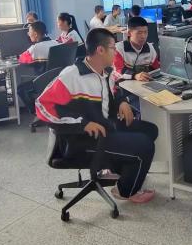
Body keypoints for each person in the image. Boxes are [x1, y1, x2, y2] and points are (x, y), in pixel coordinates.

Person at [35, 28, 158, 204]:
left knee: (150, 130)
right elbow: (42, 105)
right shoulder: (72, 75)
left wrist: (121, 101)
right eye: (113, 48)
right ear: (100, 50)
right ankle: (126, 191)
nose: (115, 51)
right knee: (144, 145)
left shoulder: (106, 71)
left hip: (105, 126)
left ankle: (118, 168)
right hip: (82, 138)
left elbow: (114, 90)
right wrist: (83, 124)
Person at [17, 21, 55, 112]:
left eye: (29, 32)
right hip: (57, 80)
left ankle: (37, 112)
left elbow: (21, 59)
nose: (28, 34)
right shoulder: (56, 42)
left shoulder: (35, 48)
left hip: (44, 82)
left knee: (21, 89)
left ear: (35, 34)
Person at [114, 16, 159, 81]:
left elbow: (156, 68)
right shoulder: (118, 49)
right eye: (139, 33)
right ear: (129, 33)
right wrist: (134, 75)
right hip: (123, 84)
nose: (143, 36)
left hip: (143, 83)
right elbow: (118, 70)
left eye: (145, 32)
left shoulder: (150, 48)